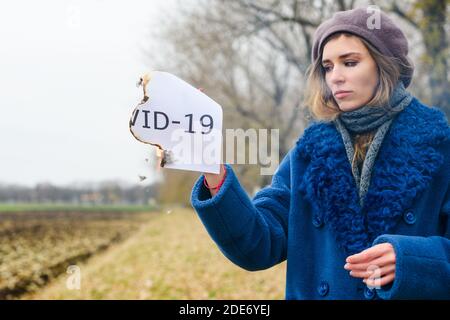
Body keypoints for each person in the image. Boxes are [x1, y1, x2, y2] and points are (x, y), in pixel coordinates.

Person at [188, 7, 450, 299]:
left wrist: (412, 261)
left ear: (385, 65)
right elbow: (257, 245)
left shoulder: (440, 145)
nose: (335, 77)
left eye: (349, 62)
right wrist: (212, 168)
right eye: (327, 67)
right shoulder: (308, 153)